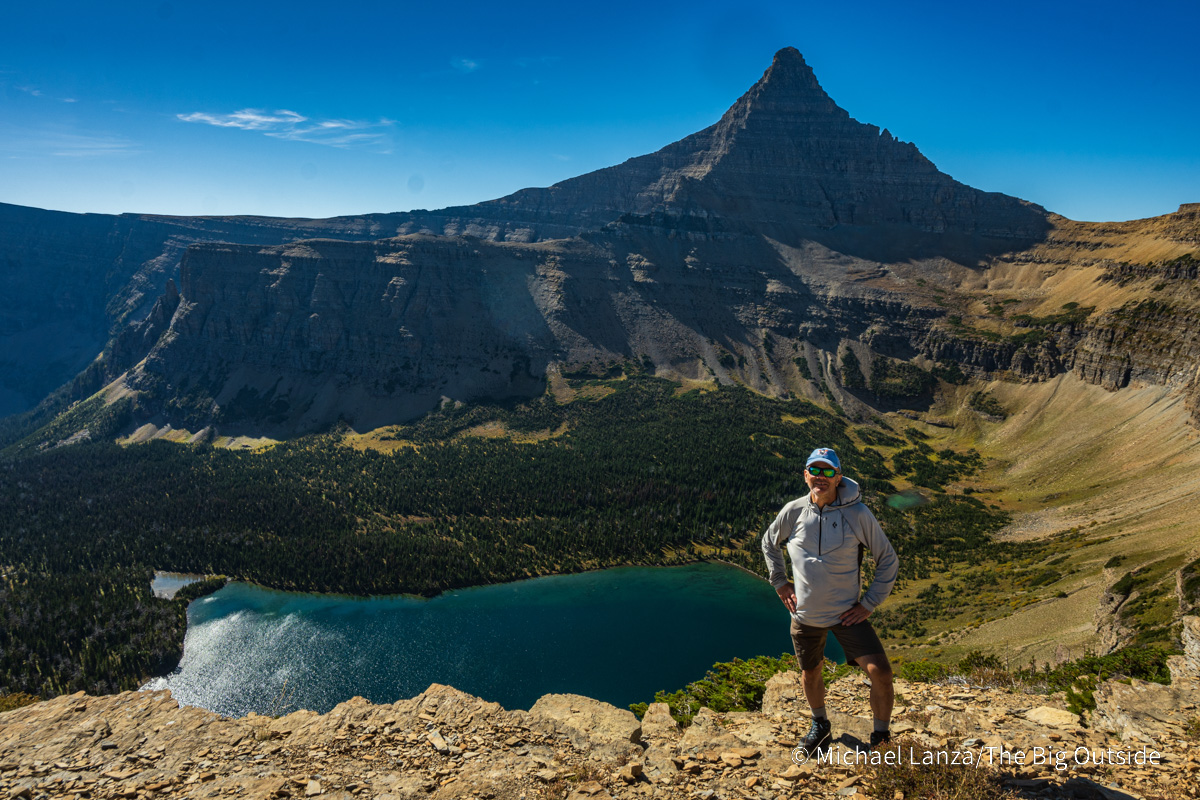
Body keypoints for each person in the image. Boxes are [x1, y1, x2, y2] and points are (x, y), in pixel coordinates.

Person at [761, 447, 899, 752]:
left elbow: (887, 558)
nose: (820, 478)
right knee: (810, 672)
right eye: (815, 470)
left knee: (881, 673)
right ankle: (820, 724)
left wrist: (869, 603)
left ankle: (880, 737)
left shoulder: (857, 513)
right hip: (805, 613)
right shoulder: (794, 510)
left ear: (838, 477)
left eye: (828, 472)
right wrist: (780, 583)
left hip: (846, 613)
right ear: (806, 474)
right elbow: (769, 542)